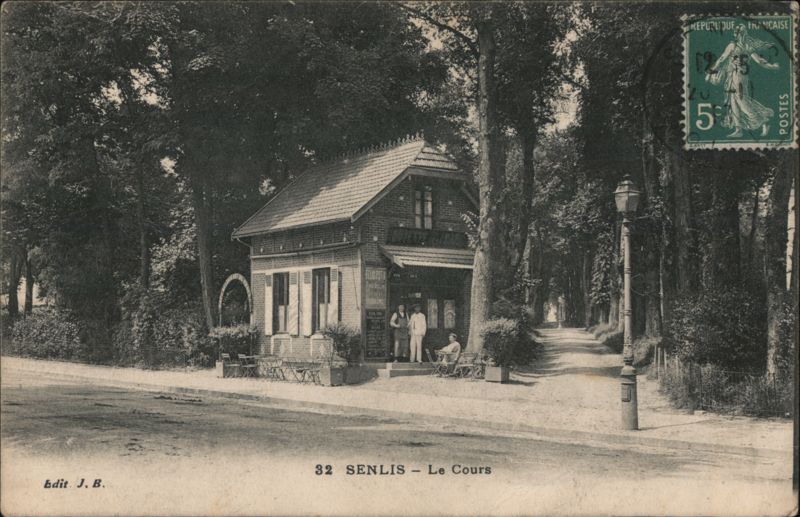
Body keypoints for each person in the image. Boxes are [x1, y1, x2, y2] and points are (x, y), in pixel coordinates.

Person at [706, 24, 779, 138]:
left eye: (738, 33)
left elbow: (722, 59)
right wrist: (772, 66)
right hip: (734, 75)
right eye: (737, 33)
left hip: (739, 76)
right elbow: (759, 61)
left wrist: (711, 71)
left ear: (741, 34)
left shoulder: (737, 45)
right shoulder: (744, 46)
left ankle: (762, 121)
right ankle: (738, 129)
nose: (737, 35)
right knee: (733, 101)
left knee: (741, 100)